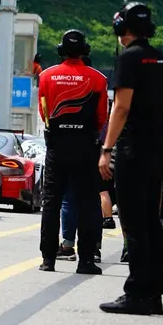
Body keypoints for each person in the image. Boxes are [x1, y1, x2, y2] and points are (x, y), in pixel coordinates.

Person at [98, 2, 163, 316]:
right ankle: (154, 295)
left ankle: (136, 293)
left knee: (133, 223)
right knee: (152, 222)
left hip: (132, 151)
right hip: (158, 151)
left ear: (122, 28)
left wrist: (106, 149)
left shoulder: (128, 59)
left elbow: (121, 108)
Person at [38, 29, 107, 275]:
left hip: (57, 145)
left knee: (51, 202)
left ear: (61, 50)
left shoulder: (46, 76)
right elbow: (102, 117)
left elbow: (44, 113)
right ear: (85, 50)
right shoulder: (98, 79)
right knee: (88, 202)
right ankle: (86, 261)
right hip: (86, 147)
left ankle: (48, 259)